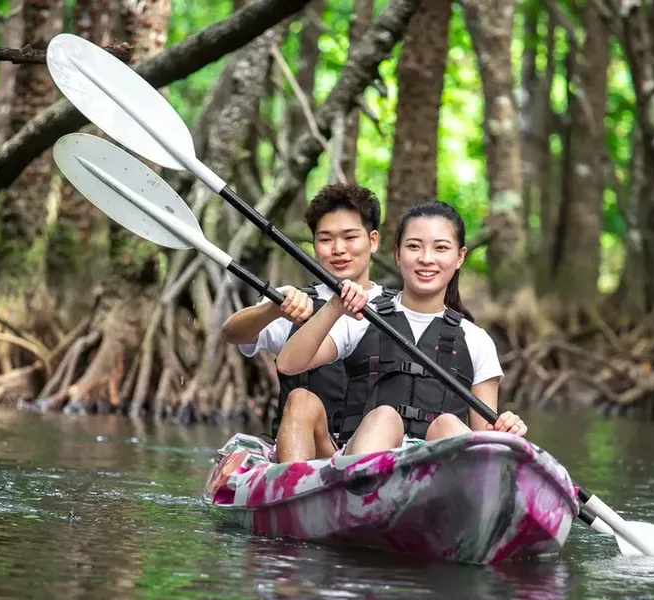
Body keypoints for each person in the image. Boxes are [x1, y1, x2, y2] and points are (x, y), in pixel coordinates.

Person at [276, 199, 526, 456]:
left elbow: (485, 435)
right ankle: (341, 488)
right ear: (397, 254)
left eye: (440, 248)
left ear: (460, 257)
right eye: (414, 247)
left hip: (437, 471)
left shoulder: (476, 339)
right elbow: (288, 363)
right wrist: (333, 308)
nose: (426, 259)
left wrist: (504, 431)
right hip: (359, 461)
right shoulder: (362, 316)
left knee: (448, 425)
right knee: (375, 415)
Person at [220, 183, 387, 462]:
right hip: (304, 448)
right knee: (300, 399)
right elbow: (232, 333)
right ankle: (292, 486)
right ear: (314, 245)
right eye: (325, 239)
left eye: (350, 237)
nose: (338, 249)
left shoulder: (396, 308)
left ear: (373, 241)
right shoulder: (294, 303)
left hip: (369, 453)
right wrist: (272, 309)